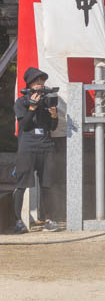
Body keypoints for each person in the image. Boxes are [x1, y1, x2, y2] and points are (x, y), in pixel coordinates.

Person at [12, 67, 59, 233]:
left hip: (46, 146)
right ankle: (18, 222)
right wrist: (32, 108)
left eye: (42, 81)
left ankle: (49, 220)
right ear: (29, 83)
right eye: (37, 81)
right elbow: (24, 126)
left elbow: (52, 127)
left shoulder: (47, 101)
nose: (40, 84)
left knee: (47, 184)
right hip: (27, 148)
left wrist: (53, 115)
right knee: (22, 185)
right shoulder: (21, 102)